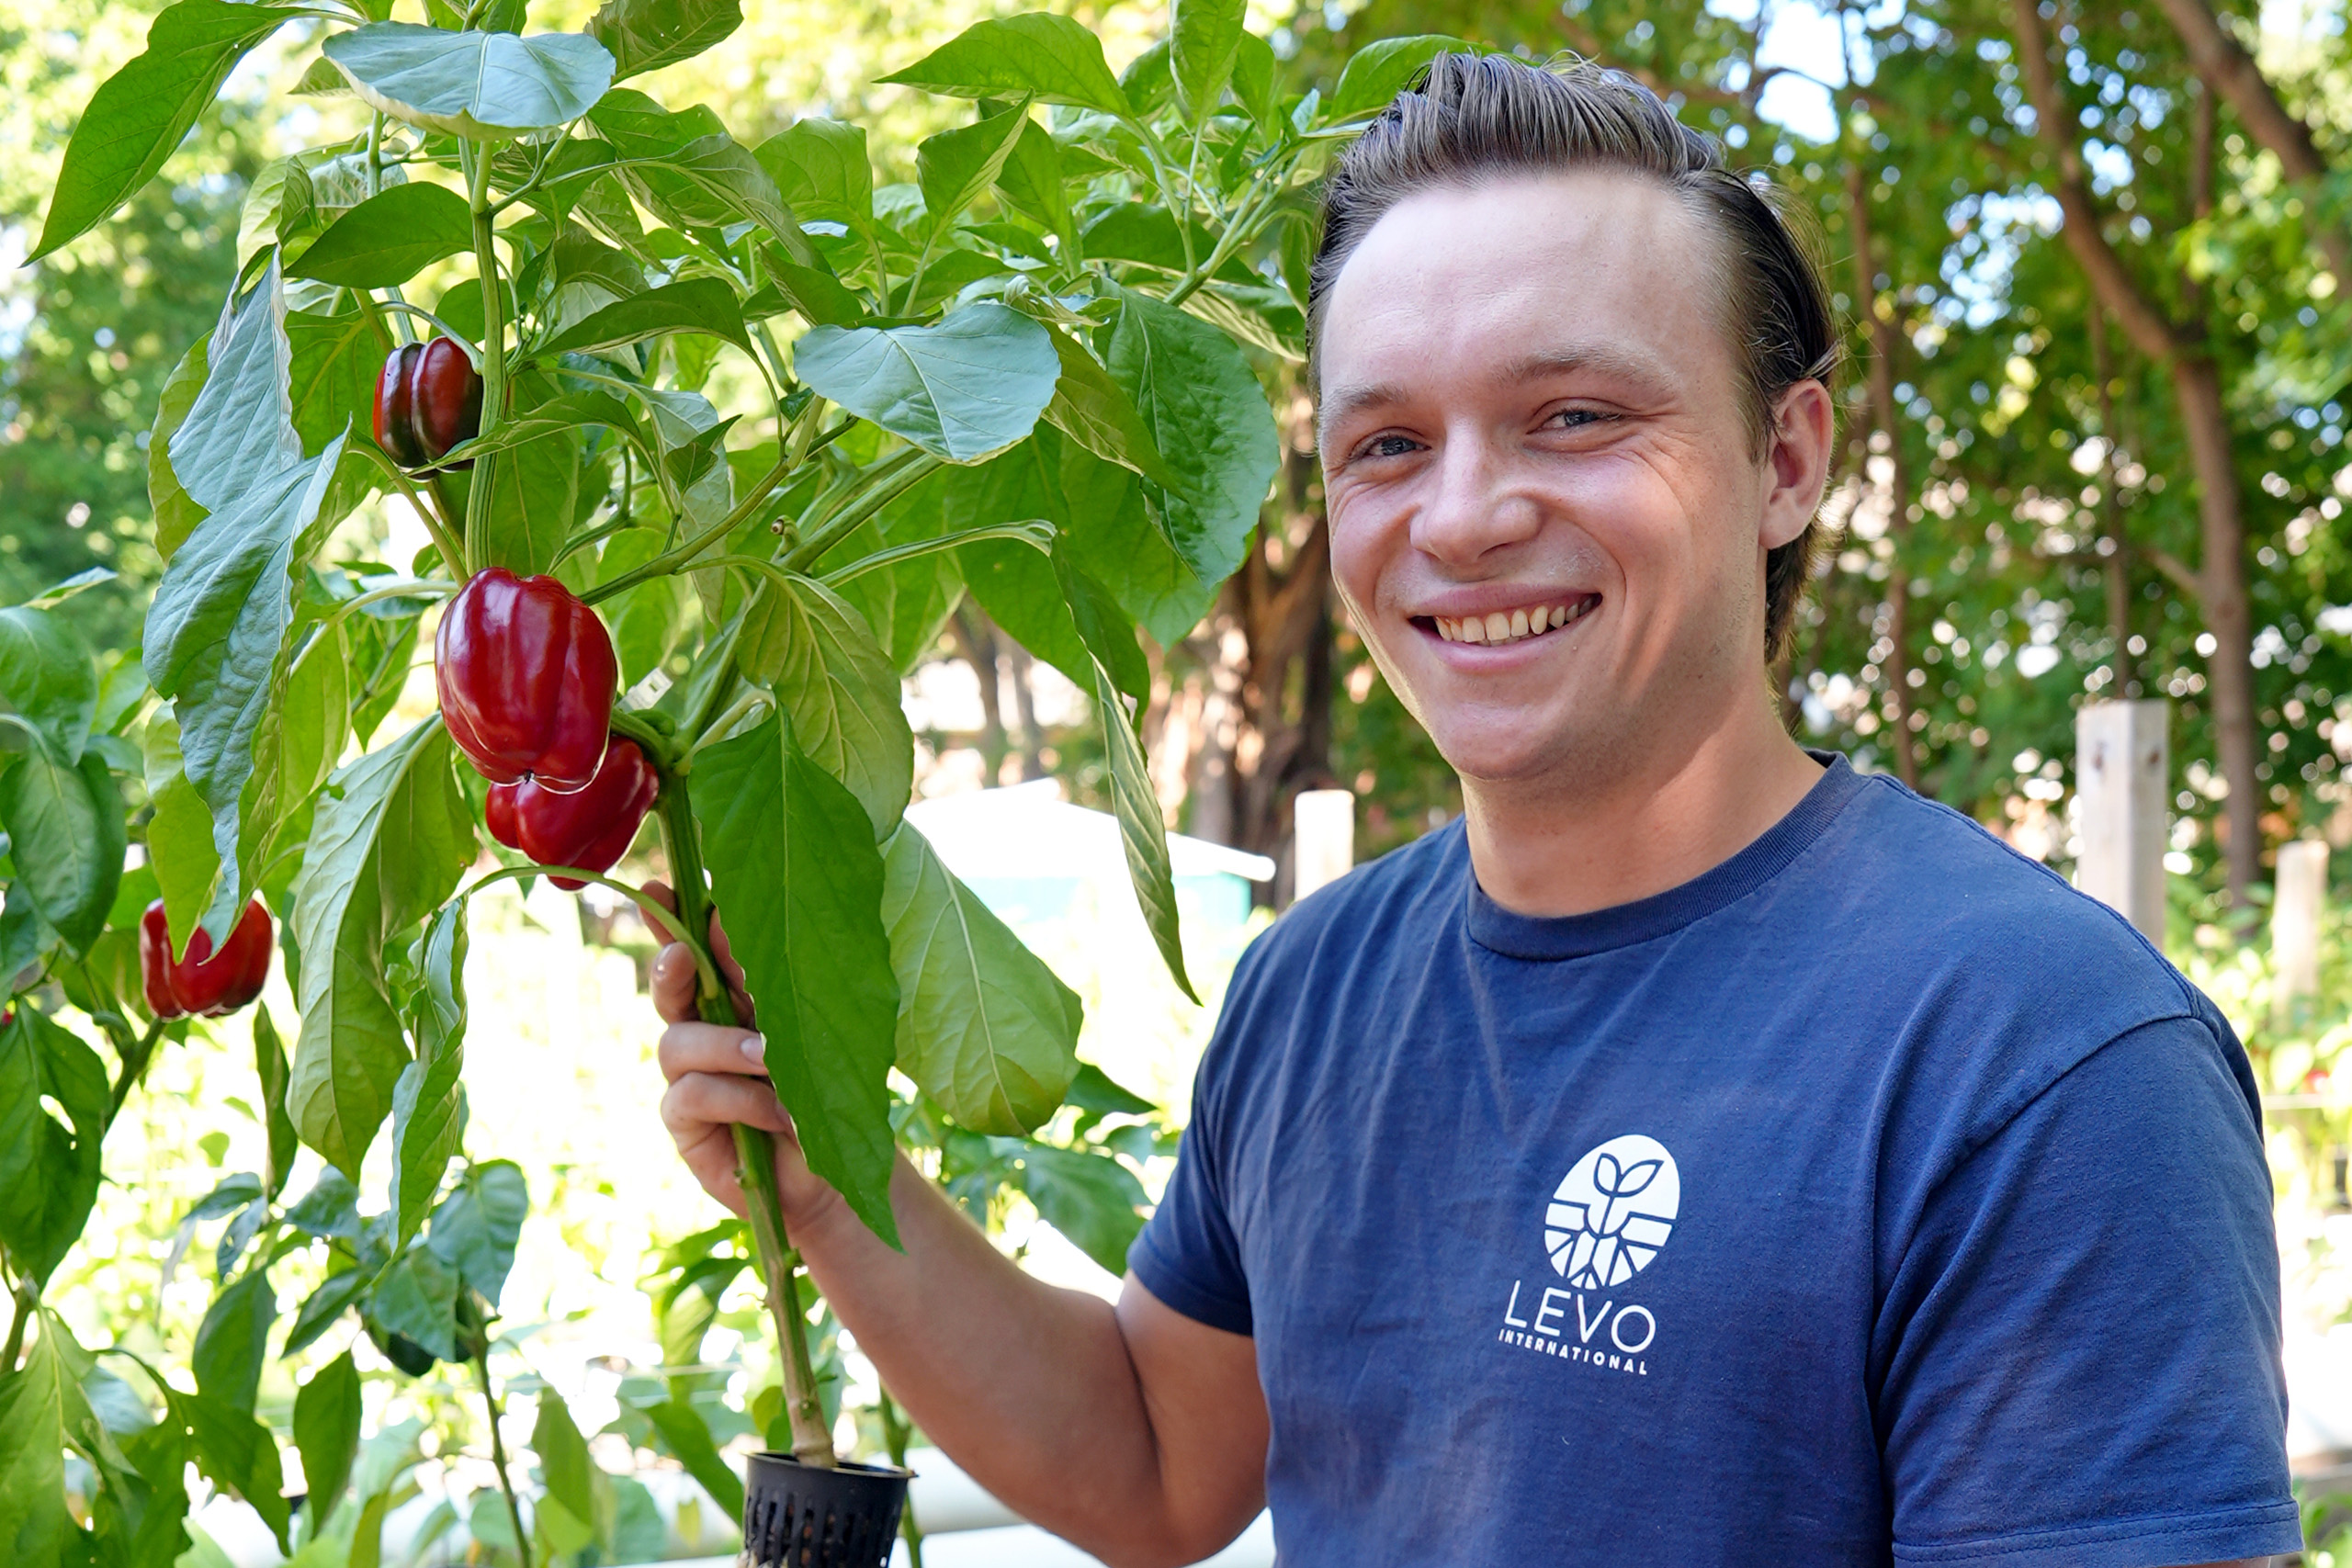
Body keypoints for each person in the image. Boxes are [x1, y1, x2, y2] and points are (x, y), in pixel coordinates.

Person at [651, 54, 2296, 1568]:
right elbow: (1158, 1462)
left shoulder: (2042, 1065)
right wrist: (825, 1181)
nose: (1464, 516)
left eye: (1574, 416)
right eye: (1386, 441)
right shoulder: (1314, 990)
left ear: (1786, 458)